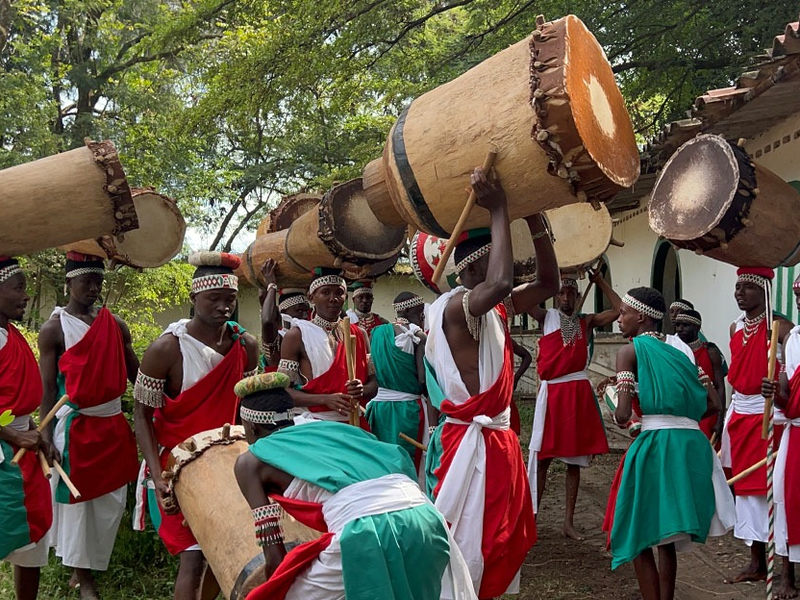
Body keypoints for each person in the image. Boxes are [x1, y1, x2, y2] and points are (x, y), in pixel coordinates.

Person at [424, 167, 556, 598]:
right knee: (464, 549)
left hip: (496, 440)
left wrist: (535, 222)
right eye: (497, 254)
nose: (507, 267)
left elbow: (549, 283)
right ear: (473, 265)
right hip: (468, 444)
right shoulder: (455, 308)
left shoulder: (492, 309)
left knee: (496, 545)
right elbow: (499, 282)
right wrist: (499, 208)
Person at [232, 371, 477, 600]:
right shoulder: (337, 430)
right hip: (425, 516)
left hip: (366, 530)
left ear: (252, 427)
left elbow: (273, 554)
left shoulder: (250, 461)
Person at [132, 251, 259, 600]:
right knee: (194, 558)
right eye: (213, 299)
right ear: (194, 298)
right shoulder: (166, 349)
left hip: (229, 460)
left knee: (229, 550)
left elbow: (247, 407)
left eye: (229, 300)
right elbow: (141, 415)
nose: (223, 307)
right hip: (179, 464)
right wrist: (159, 477)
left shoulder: (245, 345)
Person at [605, 287, 734, 600]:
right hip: (689, 446)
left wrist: (611, 399)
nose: (618, 319)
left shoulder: (630, 351)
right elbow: (712, 405)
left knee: (636, 531)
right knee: (667, 534)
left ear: (642, 316)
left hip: (656, 446)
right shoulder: (682, 350)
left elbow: (623, 416)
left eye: (623, 313)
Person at [38, 252, 139, 599]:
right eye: (86, 282)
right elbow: (49, 389)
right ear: (69, 283)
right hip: (77, 428)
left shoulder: (115, 324)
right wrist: (46, 435)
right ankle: (85, 578)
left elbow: (138, 376)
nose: (94, 289)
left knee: (110, 503)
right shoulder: (54, 329)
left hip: (111, 424)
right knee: (79, 504)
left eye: (98, 282)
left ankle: (90, 566)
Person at [527, 271, 618, 540]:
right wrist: (539, 281)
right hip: (552, 394)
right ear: (556, 296)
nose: (566, 297)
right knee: (542, 459)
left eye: (571, 293)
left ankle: (568, 522)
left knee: (574, 461)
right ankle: (531, 519)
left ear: (577, 297)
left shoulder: (586, 321)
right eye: (562, 293)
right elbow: (522, 301)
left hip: (577, 394)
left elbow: (619, 310)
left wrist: (600, 282)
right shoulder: (546, 317)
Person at [722, 267, 794, 586]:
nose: (739, 293)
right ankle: (755, 561)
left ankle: (784, 565)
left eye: (746, 288)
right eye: (737, 287)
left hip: (768, 416)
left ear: (763, 291)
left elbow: (791, 370)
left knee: (770, 490)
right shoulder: (735, 327)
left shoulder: (781, 328)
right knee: (746, 493)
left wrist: (778, 387)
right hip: (739, 413)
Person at [0, 257, 52, 600]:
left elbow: (13, 403)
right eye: (18, 287)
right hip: (6, 450)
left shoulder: (10, 334)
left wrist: (36, 432)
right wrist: (14, 435)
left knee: (33, 539)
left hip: (23, 449)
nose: (25, 294)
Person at [278, 267, 377, 426]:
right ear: (311, 298)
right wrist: (325, 399)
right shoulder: (297, 335)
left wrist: (361, 389)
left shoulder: (360, 334)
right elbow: (283, 392)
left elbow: (374, 384)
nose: (333, 298)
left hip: (356, 423)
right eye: (325, 292)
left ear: (345, 297)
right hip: (317, 425)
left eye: (339, 293)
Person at [760, 273, 800, 600]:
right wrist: (774, 390)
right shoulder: (793, 338)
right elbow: (787, 393)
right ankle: (787, 575)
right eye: (797, 297)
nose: (799, 303)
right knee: (786, 501)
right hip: (796, 432)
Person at [366, 292, 429, 479]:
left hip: (379, 409)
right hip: (408, 411)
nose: (423, 317)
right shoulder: (417, 336)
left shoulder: (376, 333)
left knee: (381, 461)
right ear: (408, 310)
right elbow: (423, 380)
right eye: (420, 312)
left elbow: (373, 370)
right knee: (408, 464)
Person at [673, 309, 727, 442]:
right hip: (680, 413)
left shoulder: (710, 352)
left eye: (685, 325)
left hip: (707, 413)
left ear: (697, 327)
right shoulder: (672, 352)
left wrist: (720, 420)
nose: (680, 329)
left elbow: (720, 387)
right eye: (678, 325)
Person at [258, 258, 310, 370]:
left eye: (307, 311)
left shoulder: (310, 335)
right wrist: (271, 285)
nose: (305, 316)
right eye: (299, 311)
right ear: (283, 312)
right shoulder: (277, 337)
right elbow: (267, 321)